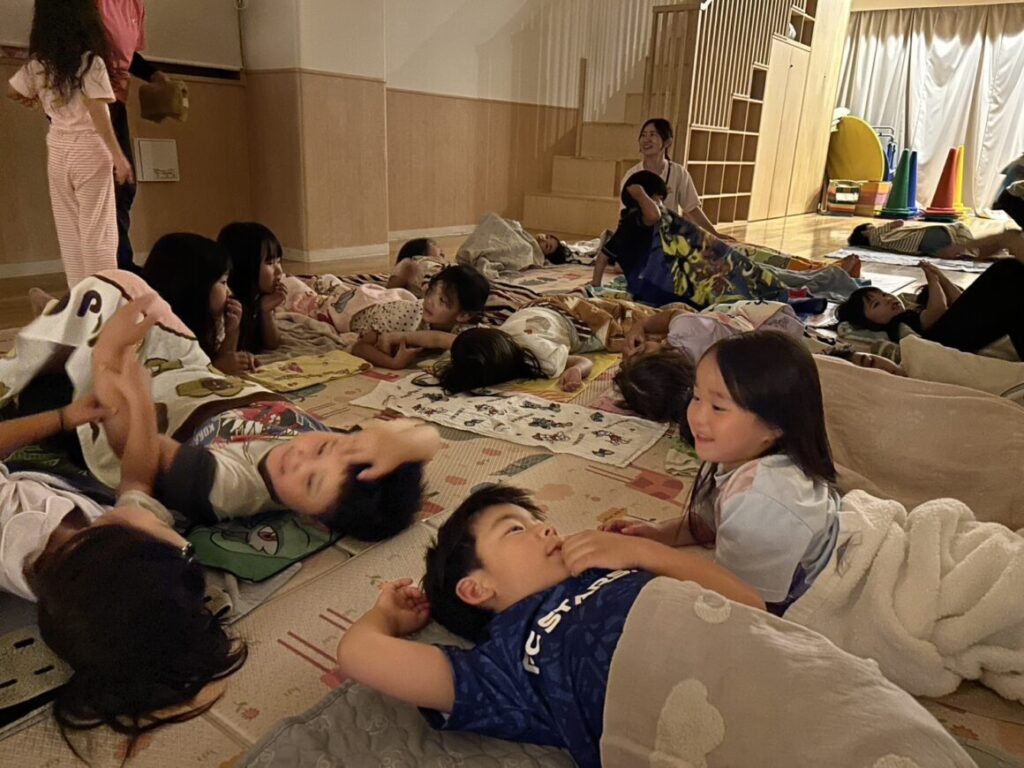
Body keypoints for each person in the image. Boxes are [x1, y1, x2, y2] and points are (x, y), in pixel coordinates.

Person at [335, 485, 763, 768]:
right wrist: (386, 617)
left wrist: (640, 550)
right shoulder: (506, 659)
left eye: (538, 520)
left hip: (757, 658)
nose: (546, 529)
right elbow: (358, 654)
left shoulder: (615, 570)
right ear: (476, 588)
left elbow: (750, 605)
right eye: (515, 529)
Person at [1, 314, 245, 748]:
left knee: (41, 387)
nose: (180, 545)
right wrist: (140, 402)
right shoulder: (101, 558)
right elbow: (136, 483)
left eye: (168, 545)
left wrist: (63, 417)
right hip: (50, 482)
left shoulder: (12, 537)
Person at [92, 298, 441, 538]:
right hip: (211, 376)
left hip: (158, 391)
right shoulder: (345, 453)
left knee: (116, 298)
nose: (301, 457)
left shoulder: (231, 486)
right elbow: (420, 436)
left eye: (311, 482)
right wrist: (406, 443)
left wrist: (107, 360)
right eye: (324, 448)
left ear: (314, 521)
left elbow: (134, 449)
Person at [606, 331, 841, 613]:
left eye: (718, 407)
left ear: (774, 425)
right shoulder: (736, 454)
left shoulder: (762, 497)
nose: (697, 416)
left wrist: (648, 555)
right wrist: (658, 534)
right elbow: (712, 520)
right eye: (696, 397)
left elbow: (747, 606)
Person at [6, 0, 132, 288]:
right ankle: (102, 297)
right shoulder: (90, 62)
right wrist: (118, 156)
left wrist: (34, 99)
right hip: (89, 149)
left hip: (58, 150)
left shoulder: (39, 65)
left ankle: (79, 297)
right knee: (98, 230)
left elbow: (12, 90)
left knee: (70, 232)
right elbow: (97, 110)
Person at [424, 296, 655, 393]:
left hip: (571, 317)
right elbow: (445, 343)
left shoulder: (541, 358)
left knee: (623, 335)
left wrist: (577, 369)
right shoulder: (490, 338)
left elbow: (583, 360)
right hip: (535, 306)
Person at [283, 264, 490, 370]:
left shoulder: (466, 329)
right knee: (309, 300)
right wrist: (393, 363)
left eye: (443, 300)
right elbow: (360, 347)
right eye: (431, 291)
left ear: (464, 315)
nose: (430, 301)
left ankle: (329, 284)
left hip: (386, 303)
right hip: (357, 310)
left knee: (336, 289)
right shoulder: (405, 318)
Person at [97, 0, 167, 272]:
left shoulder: (134, 5)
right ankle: (107, 267)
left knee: (123, 186)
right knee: (102, 188)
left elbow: (125, 55)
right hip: (89, 105)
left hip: (116, 102)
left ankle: (120, 263)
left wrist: (153, 74)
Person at [836, 259, 1024, 358]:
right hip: (947, 341)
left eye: (884, 294)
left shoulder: (909, 310)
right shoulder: (898, 324)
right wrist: (933, 281)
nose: (887, 299)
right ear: (870, 322)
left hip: (957, 333)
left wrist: (941, 277)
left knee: (1009, 278)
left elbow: (958, 301)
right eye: (876, 304)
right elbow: (937, 311)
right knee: (1006, 272)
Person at [141, 232, 256, 374]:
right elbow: (173, 375)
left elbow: (220, 360)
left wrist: (232, 334)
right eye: (223, 282)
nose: (229, 292)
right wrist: (216, 368)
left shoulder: (207, 322)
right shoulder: (161, 332)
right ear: (197, 287)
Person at [620, 118, 727, 239]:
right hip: (642, 238)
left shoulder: (678, 172)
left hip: (671, 239)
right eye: (643, 135)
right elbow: (626, 215)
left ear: (667, 142)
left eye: (652, 134)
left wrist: (714, 234)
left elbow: (692, 209)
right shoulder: (632, 175)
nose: (646, 139)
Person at [218, 221, 287, 353]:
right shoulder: (228, 303)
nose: (279, 271)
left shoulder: (258, 295)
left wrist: (266, 311)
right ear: (246, 266)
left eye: (278, 261)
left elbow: (272, 343)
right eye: (269, 263)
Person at [847, 219, 975, 258]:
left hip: (924, 248)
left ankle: (966, 250)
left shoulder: (876, 244)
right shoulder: (875, 234)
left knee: (956, 243)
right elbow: (899, 223)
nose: (875, 227)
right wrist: (888, 226)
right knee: (959, 227)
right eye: (871, 227)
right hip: (924, 238)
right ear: (864, 232)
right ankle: (972, 249)